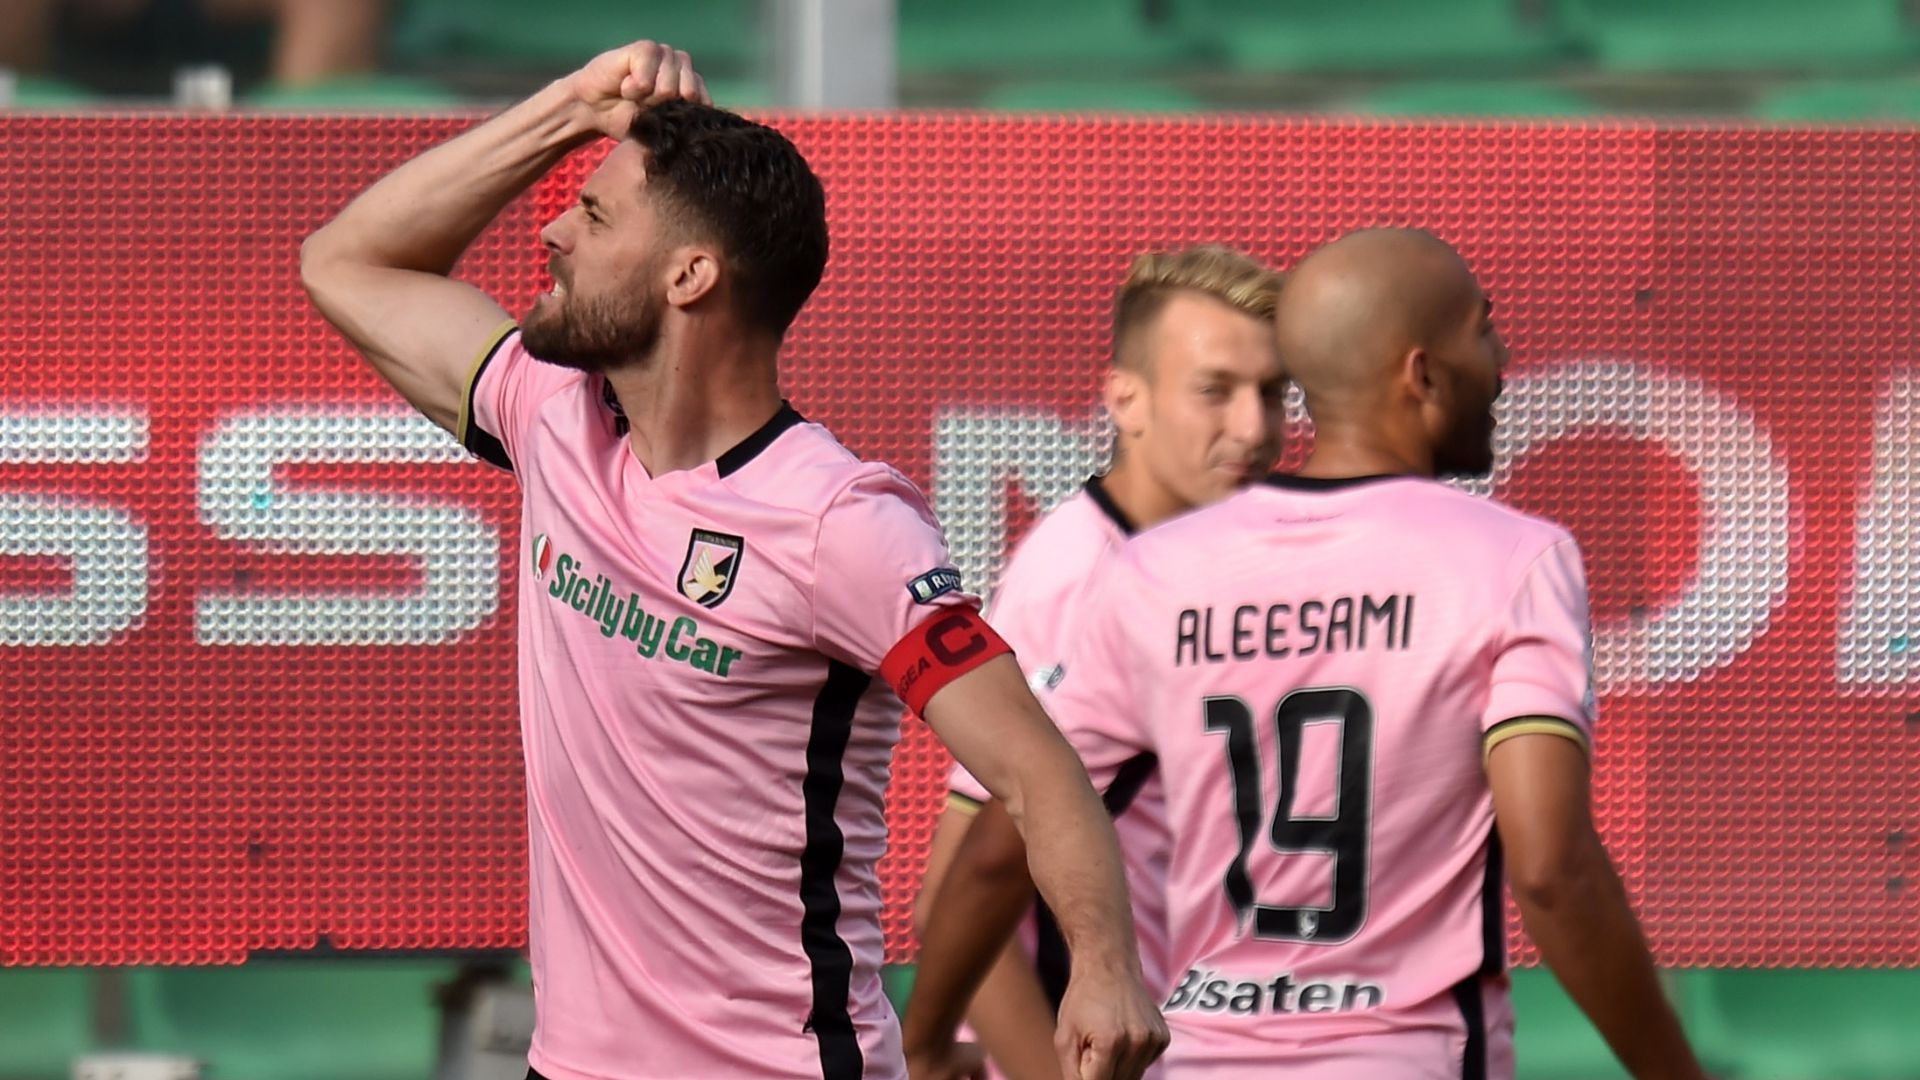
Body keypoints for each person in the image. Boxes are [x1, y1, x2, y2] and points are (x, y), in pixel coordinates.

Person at [299, 39, 1166, 1080]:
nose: (551, 231)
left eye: (595, 216)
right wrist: (572, 110)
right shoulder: (551, 414)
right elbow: (346, 263)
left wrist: (1104, 968)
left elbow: (1036, 767)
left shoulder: (838, 522)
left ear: (690, 275)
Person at [908, 228, 1710, 1079]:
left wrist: (923, 1040)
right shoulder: (1512, 560)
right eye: (1483, 329)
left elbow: (996, 854)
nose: (1504, 359)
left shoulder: (1156, 572)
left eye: (1264, 390)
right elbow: (1551, 873)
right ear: (1422, 373)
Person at [903, 244, 1288, 1080]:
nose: (1254, 428)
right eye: (1215, 391)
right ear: (1125, 400)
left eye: (1271, 392)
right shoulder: (1082, 578)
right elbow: (962, 890)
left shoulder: (1225, 557)